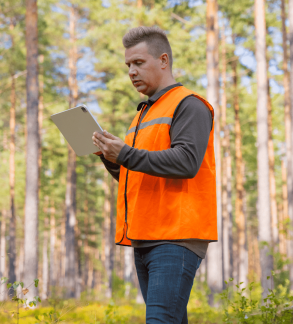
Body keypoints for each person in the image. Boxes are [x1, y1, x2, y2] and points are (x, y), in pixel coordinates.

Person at [92, 26, 217, 324]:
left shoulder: (189, 105)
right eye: (128, 66)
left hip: (175, 236)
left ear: (163, 60)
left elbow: (186, 162)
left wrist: (123, 154)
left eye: (138, 63)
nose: (131, 72)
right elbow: (137, 175)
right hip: (145, 237)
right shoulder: (141, 116)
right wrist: (110, 158)